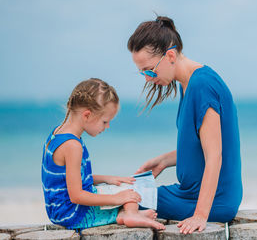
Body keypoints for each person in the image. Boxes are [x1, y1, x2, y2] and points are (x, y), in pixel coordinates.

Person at [127, 16, 243, 234]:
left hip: (213, 200)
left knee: (126, 200)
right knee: (130, 193)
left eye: (150, 70)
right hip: (189, 192)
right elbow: (199, 147)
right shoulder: (187, 83)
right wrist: (163, 160)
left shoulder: (202, 86)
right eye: (142, 72)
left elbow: (214, 156)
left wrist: (200, 215)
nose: (147, 79)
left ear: (170, 55)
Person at [41, 78, 165, 230]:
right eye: (105, 122)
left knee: (125, 191)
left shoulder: (58, 133)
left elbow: (69, 180)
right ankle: (126, 215)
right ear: (87, 115)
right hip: (70, 214)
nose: (107, 127)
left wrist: (107, 178)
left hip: (60, 208)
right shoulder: (73, 146)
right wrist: (115, 199)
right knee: (128, 195)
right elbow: (76, 195)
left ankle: (127, 213)